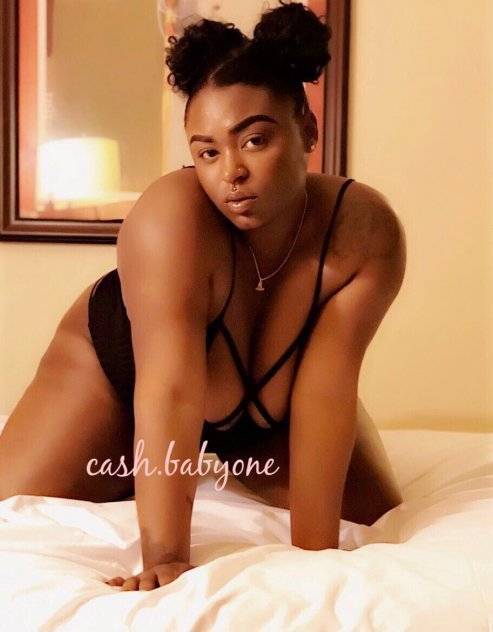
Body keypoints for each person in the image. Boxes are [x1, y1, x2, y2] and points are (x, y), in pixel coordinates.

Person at [0, 1, 406, 591]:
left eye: (255, 140)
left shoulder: (363, 233)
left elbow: (327, 390)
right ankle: (138, 466)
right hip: (121, 376)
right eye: (208, 151)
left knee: (375, 512)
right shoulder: (171, 219)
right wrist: (166, 556)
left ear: (308, 130)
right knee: (11, 498)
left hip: (262, 413)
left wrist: (316, 563)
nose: (230, 172)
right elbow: (169, 389)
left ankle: (205, 460)